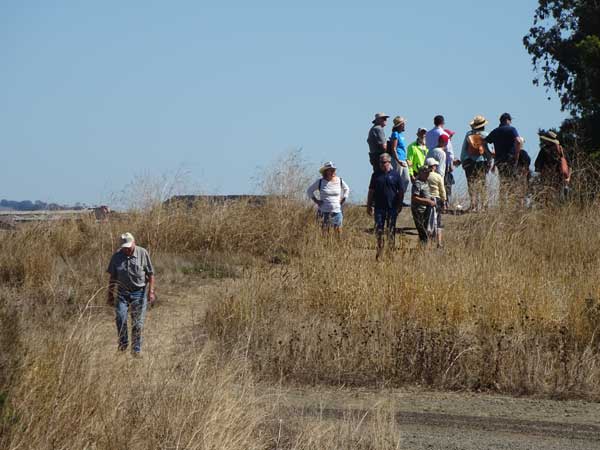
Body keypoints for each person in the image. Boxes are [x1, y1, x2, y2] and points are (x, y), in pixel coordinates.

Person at [107, 232, 156, 356]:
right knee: (120, 318)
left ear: (134, 243)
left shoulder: (143, 253)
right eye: (125, 248)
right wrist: (110, 294)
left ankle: (136, 350)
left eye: (129, 247)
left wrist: (151, 292)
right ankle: (123, 346)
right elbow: (113, 277)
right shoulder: (116, 257)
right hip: (122, 293)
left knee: (137, 323)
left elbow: (151, 274)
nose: (127, 250)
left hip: (139, 293)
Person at [367, 153, 404, 260]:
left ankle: (390, 253)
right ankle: (379, 251)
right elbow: (371, 191)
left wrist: (400, 204)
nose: (382, 164)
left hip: (392, 207)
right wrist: (369, 205)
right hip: (379, 208)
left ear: (389, 162)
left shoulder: (396, 175)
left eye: (383, 162)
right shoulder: (375, 175)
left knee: (391, 230)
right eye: (380, 162)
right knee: (379, 230)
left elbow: (401, 191)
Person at [485, 113, 523, 202]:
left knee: (502, 181)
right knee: (512, 182)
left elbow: (484, 141)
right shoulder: (512, 129)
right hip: (511, 159)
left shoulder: (495, 131)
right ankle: (511, 203)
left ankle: (502, 203)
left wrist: (490, 153)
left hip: (499, 160)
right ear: (508, 120)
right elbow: (518, 141)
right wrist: (517, 154)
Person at [461, 115, 494, 211]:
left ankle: (473, 205)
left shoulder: (468, 134)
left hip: (469, 162)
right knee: (482, 184)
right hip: (481, 162)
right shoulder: (486, 135)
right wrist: (489, 161)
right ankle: (483, 206)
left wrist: (464, 161)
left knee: (471, 184)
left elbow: (464, 149)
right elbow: (488, 150)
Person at [306, 161, 350, 233]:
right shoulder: (320, 182)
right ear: (326, 171)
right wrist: (316, 201)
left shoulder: (340, 180)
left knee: (338, 232)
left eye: (334, 170)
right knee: (325, 233)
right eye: (331, 170)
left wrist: (343, 199)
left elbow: (347, 189)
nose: (333, 171)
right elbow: (309, 191)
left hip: (337, 211)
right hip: (324, 211)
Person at [534, 131, 571, 201]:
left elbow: (537, 165)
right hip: (560, 178)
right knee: (559, 198)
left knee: (547, 198)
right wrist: (568, 178)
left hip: (547, 178)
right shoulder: (561, 150)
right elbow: (569, 165)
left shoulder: (544, 150)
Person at [411, 166, 436, 245]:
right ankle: (423, 248)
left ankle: (423, 247)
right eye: (426, 173)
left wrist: (431, 199)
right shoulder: (417, 183)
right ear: (421, 173)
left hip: (426, 210)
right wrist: (428, 201)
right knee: (422, 231)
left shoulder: (426, 182)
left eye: (428, 172)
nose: (428, 174)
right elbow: (414, 198)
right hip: (419, 210)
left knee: (425, 229)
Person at [425, 158, 446, 247]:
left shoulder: (423, 175)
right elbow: (442, 189)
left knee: (427, 221)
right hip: (436, 199)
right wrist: (444, 200)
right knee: (438, 221)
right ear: (433, 166)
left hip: (426, 199)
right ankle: (439, 242)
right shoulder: (437, 176)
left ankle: (427, 243)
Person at [387, 116, 410, 193]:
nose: (404, 125)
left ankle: (400, 197)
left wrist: (406, 159)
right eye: (403, 124)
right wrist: (398, 160)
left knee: (406, 179)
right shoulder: (395, 134)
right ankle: (394, 197)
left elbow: (402, 149)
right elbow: (394, 148)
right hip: (398, 160)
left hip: (403, 159)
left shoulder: (401, 135)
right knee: (396, 179)